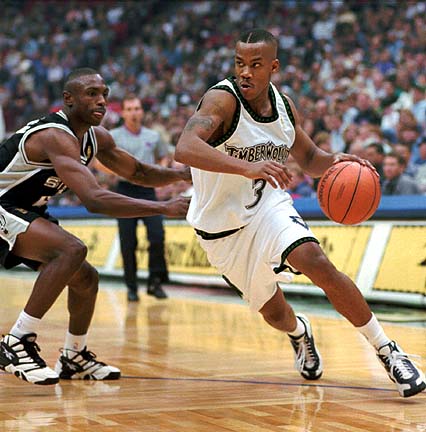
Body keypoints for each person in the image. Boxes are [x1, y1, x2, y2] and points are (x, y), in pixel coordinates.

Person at [175, 29, 426, 398]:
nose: (245, 71)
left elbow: (309, 159)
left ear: (273, 67)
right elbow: (185, 147)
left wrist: (337, 160)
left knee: (315, 259)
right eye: (239, 63)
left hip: (267, 207)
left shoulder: (283, 106)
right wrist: (247, 167)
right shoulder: (222, 100)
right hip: (221, 229)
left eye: (255, 65)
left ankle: (387, 350)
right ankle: (300, 332)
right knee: (276, 315)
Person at [0, 68, 190, 385]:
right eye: (92, 94)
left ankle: (74, 355)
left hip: (23, 208)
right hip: (3, 205)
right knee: (70, 250)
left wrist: (182, 175)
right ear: (68, 99)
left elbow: (140, 173)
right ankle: (16, 341)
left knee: (86, 278)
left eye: (104, 94)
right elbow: (95, 199)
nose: (101, 101)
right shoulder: (54, 136)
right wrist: (163, 208)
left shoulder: (95, 137)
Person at [110, 95, 170, 302]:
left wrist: (160, 169)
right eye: (129, 109)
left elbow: (163, 156)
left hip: (148, 190)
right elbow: (98, 159)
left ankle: (155, 282)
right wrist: (112, 171)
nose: (134, 112)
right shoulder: (113, 136)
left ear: (141, 112)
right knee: (128, 242)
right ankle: (131, 287)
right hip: (124, 191)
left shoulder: (153, 135)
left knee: (157, 235)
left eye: (137, 108)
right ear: (123, 113)